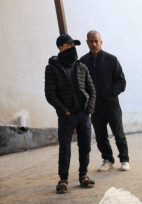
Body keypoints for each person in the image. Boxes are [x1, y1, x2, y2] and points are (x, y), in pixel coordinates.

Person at [45, 34, 96, 194]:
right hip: (67, 115)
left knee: (85, 146)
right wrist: (64, 111)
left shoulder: (81, 67)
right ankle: (63, 178)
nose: (72, 48)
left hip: (83, 114)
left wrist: (89, 109)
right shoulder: (52, 68)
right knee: (65, 148)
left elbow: (92, 90)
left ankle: (83, 175)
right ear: (60, 47)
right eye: (69, 45)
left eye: (74, 45)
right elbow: (50, 94)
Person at [80, 30, 129, 172]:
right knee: (101, 136)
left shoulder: (111, 60)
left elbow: (121, 81)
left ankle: (124, 160)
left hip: (111, 104)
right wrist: (87, 99)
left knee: (118, 133)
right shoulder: (83, 62)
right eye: (91, 41)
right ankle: (107, 160)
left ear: (101, 42)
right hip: (95, 106)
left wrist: (111, 93)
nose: (94, 44)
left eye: (96, 41)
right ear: (87, 42)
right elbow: (80, 84)